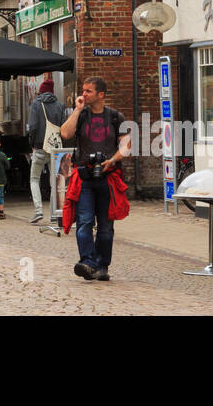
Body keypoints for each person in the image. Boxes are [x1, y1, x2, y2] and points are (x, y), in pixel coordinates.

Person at [60, 78, 131, 282]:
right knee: (84, 222)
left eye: (88, 91)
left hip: (108, 177)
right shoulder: (80, 116)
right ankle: (88, 263)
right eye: (83, 91)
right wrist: (76, 110)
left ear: (101, 94)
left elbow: (126, 146)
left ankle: (102, 266)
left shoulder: (116, 117)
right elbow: (65, 133)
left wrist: (112, 160)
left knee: (106, 226)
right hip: (84, 177)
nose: (84, 95)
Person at [26, 79, 66, 223]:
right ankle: (54, 214)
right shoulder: (60, 105)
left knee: (34, 179)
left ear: (41, 91)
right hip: (56, 148)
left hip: (40, 147)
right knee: (54, 182)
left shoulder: (36, 104)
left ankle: (38, 211)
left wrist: (32, 144)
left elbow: (33, 126)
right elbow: (64, 127)